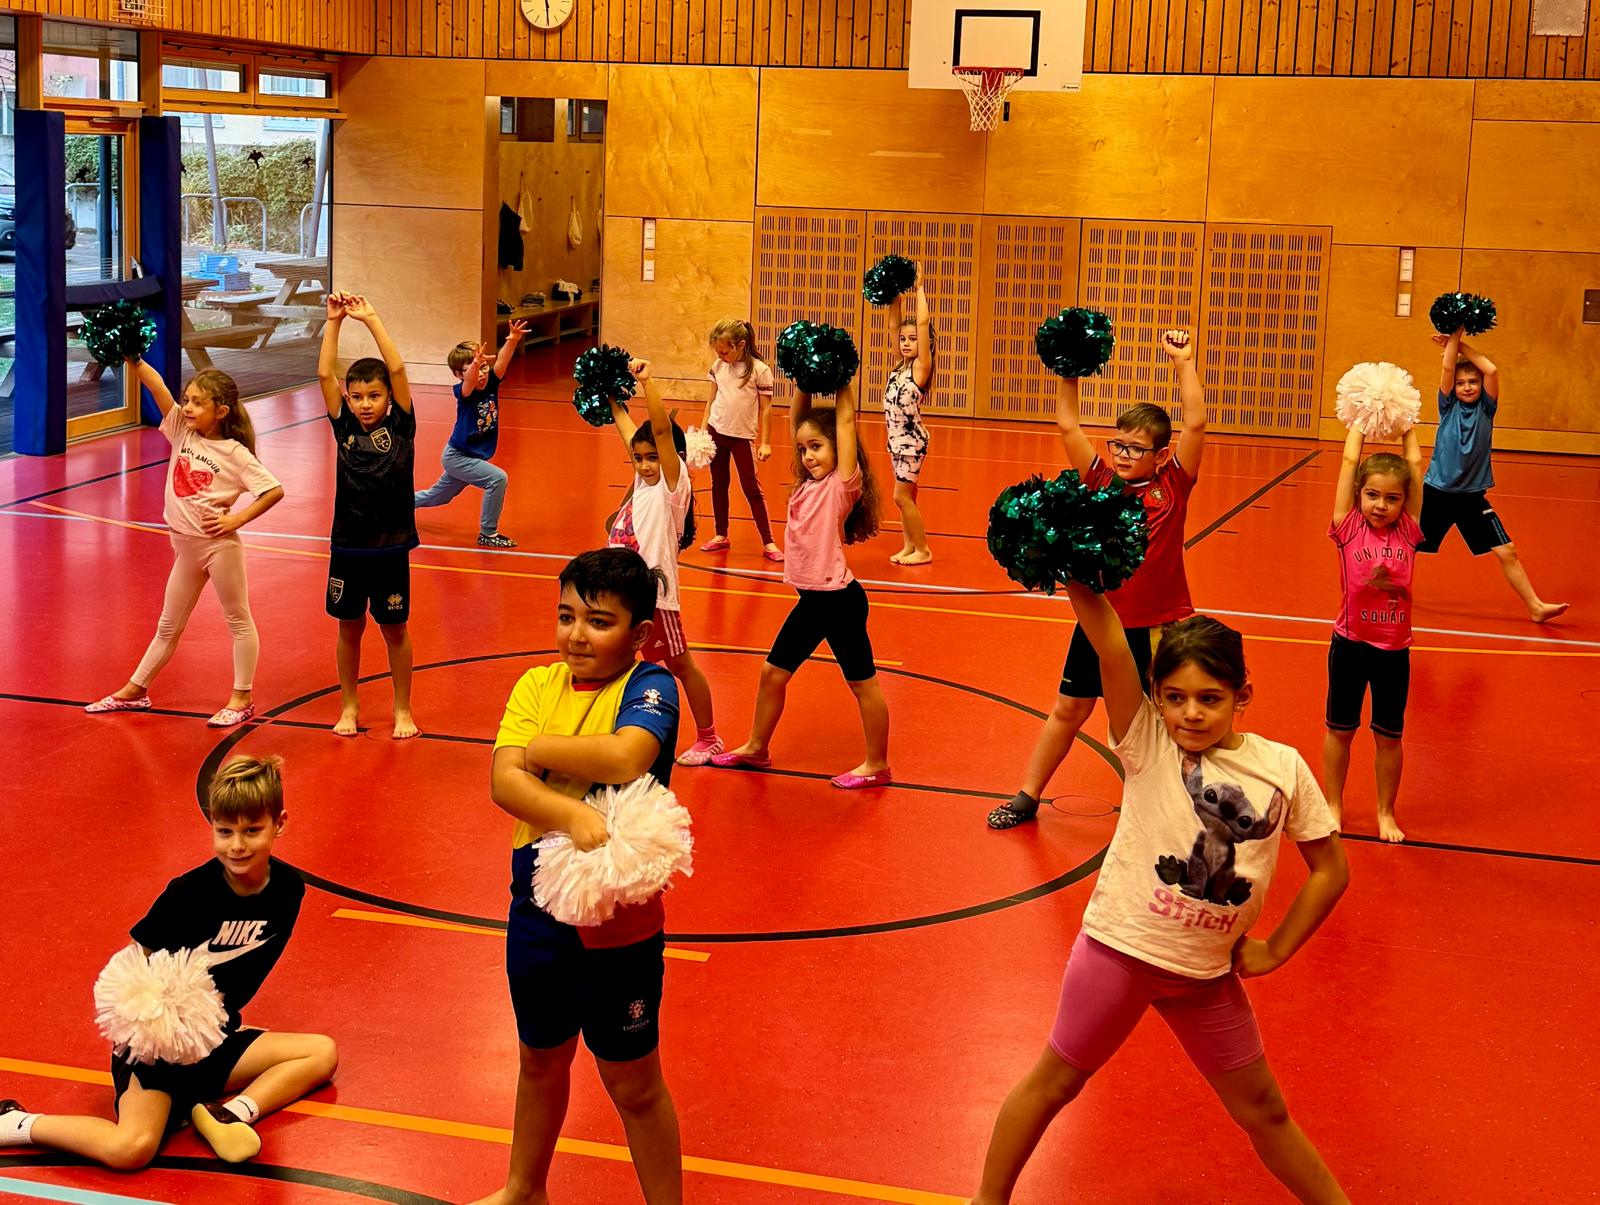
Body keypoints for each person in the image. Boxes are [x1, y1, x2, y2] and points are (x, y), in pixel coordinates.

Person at [969, 585, 1350, 1205]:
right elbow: (1111, 645)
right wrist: (1078, 576)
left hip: (1205, 978)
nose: (1190, 714)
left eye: (1209, 699)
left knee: (1265, 1110)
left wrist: (1277, 949)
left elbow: (1330, 869)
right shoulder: (1146, 742)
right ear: (1155, 696)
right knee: (1055, 1082)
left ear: (1242, 695)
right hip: (1119, 956)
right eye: (1174, 698)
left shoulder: (1283, 768)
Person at [0, 756, 337, 1169]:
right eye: (224, 831)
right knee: (131, 1149)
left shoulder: (287, 889)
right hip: (156, 1052)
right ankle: (15, 1122)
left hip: (213, 1042)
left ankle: (228, 1114)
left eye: (252, 830)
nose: (237, 845)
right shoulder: (188, 893)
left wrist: (213, 1024)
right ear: (212, 825)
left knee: (321, 1053)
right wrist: (163, 1034)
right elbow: (127, 978)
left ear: (279, 823)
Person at [474, 547, 683, 1205]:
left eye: (598, 621)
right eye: (566, 616)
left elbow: (625, 755)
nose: (576, 635)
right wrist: (570, 812)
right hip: (536, 903)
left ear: (639, 633)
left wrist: (536, 749)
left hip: (619, 919)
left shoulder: (651, 686)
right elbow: (504, 783)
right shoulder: (537, 685)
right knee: (539, 1057)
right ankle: (524, 1188)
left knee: (633, 1082)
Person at [990, 331, 1207, 829]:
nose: (1124, 454)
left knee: (1161, 722)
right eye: (1119, 445)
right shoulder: (1100, 482)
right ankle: (1027, 795)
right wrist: (1068, 371)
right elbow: (1068, 425)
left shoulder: (1173, 484)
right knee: (1069, 707)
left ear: (1161, 454)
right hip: (1102, 624)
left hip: (1159, 627)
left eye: (1136, 448)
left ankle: (1167, 809)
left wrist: (1184, 362)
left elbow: (1195, 421)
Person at [711, 377, 890, 789]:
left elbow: (846, 420)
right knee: (772, 674)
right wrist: (804, 382)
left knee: (862, 684)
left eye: (817, 447)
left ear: (838, 449)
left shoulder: (842, 485)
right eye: (804, 449)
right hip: (813, 601)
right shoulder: (808, 485)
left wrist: (841, 380)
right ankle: (757, 747)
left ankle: (877, 764)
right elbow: (797, 418)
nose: (808, 456)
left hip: (838, 602)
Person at [84, 361, 283, 728]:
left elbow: (273, 490)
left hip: (218, 548)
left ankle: (242, 698)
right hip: (186, 549)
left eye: (198, 403)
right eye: (187, 400)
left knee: (238, 621)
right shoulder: (181, 430)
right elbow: (157, 387)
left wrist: (237, 519)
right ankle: (136, 690)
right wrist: (134, 360)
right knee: (167, 625)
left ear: (221, 411)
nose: (188, 407)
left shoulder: (236, 454)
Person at [607, 359, 723, 766]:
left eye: (652, 457)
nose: (644, 464)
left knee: (680, 664)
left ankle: (709, 738)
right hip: (623, 594)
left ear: (671, 456)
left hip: (656, 599)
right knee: (615, 661)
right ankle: (618, 727)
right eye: (638, 458)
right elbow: (629, 431)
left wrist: (647, 382)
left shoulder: (672, 485)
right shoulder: (643, 480)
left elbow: (659, 431)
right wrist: (611, 396)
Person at [315, 291, 420, 739]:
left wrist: (371, 318)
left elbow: (397, 369)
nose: (365, 404)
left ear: (389, 399)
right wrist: (334, 321)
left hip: (390, 547)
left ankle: (402, 709)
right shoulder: (343, 426)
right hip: (348, 547)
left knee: (395, 630)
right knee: (349, 628)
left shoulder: (401, 426)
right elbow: (325, 373)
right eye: (356, 396)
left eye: (374, 396)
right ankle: (350, 705)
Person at [1417, 328, 1567, 622]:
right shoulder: (1447, 407)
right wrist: (1453, 340)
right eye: (1461, 383)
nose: (1467, 387)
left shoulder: (1487, 408)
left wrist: (1461, 343)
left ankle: (1536, 607)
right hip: (1437, 493)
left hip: (1472, 498)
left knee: (1506, 550)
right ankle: (1378, 586)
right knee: (1408, 546)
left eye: (1473, 382)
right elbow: (1447, 368)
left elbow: (1492, 369)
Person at [1323, 424, 1425, 843]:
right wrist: (1361, 420)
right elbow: (1350, 461)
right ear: (1359, 494)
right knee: (1340, 730)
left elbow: (1414, 463)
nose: (1381, 505)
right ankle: (1332, 804)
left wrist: (1406, 424)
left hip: (1393, 652)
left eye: (1392, 498)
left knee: (1389, 735)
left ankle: (1386, 811)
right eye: (1372, 495)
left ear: (1405, 501)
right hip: (1349, 645)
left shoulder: (1409, 531)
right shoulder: (1347, 527)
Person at [413, 321, 527, 549]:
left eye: (484, 367)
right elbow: (470, 380)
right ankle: (488, 533)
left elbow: (502, 361)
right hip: (458, 456)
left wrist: (512, 340)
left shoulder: (491, 383)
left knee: (438, 496)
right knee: (497, 478)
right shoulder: (464, 392)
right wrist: (475, 365)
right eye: (474, 368)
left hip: (470, 457)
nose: (481, 373)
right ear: (458, 374)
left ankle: (393, 505)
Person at [699, 319, 784, 562]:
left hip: (742, 437)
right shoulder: (718, 366)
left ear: (741, 345)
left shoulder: (759, 370)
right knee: (719, 483)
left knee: (751, 489)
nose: (721, 356)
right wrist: (703, 430)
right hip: (716, 431)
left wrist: (765, 442)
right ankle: (721, 534)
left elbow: (766, 409)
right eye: (718, 352)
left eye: (725, 352)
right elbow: (711, 400)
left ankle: (768, 541)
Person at [885, 282, 936, 566]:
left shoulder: (920, 368)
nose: (905, 343)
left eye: (912, 339)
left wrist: (919, 288)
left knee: (900, 497)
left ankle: (923, 550)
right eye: (903, 339)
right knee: (909, 498)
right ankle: (909, 545)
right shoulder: (899, 367)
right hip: (896, 443)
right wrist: (895, 298)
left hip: (911, 444)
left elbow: (923, 322)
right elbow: (894, 325)